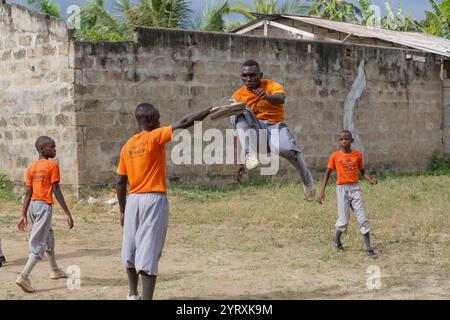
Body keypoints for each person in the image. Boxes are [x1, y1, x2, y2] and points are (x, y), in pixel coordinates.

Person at [116, 103, 212, 300]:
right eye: (158, 119)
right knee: (149, 250)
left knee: (130, 248)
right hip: (153, 199)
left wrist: (123, 210)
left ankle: (132, 294)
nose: (160, 122)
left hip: (133, 200)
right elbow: (185, 122)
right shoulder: (155, 137)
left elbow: (120, 181)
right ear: (150, 120)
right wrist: (211, 108)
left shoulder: (127, 146)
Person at [231, 59, 316, 201]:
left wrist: (267, 97)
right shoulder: (238, 95)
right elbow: (237, 133)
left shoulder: (271, 86)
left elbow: (280, 98)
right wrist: (239, 162)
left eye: (253, 75)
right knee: (237, 111)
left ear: (261, 75)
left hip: (275, 128)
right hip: (256, 132)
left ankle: (308, 181)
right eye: (245, 76)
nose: (248, 79)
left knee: (289, 151)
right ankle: (249, 155)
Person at [16, 136, 74, 293]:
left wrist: (24, 214)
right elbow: (56, 190)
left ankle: (54, 269)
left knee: (48, 236)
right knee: (39, 243)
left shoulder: (31, 167)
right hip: (43, 207)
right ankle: (24, 276)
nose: (55, 149)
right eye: (52, 147)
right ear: (42, 149)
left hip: (33, 207)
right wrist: (67, 213)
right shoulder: (52, 165)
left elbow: (28, 192)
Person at [318, 130, 378, 258]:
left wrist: (370, 180)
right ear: (339, 141)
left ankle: (369, 248)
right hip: (342, 189)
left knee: (362, 218)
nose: (344, 141)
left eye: (347, 139)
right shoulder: (335, 156)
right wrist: (322, 191)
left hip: (355, 188)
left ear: (352, 141)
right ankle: (337, 240)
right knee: (344, 220)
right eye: (342, 139)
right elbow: (327, 174)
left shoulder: (358, 155)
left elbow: (363, 172)